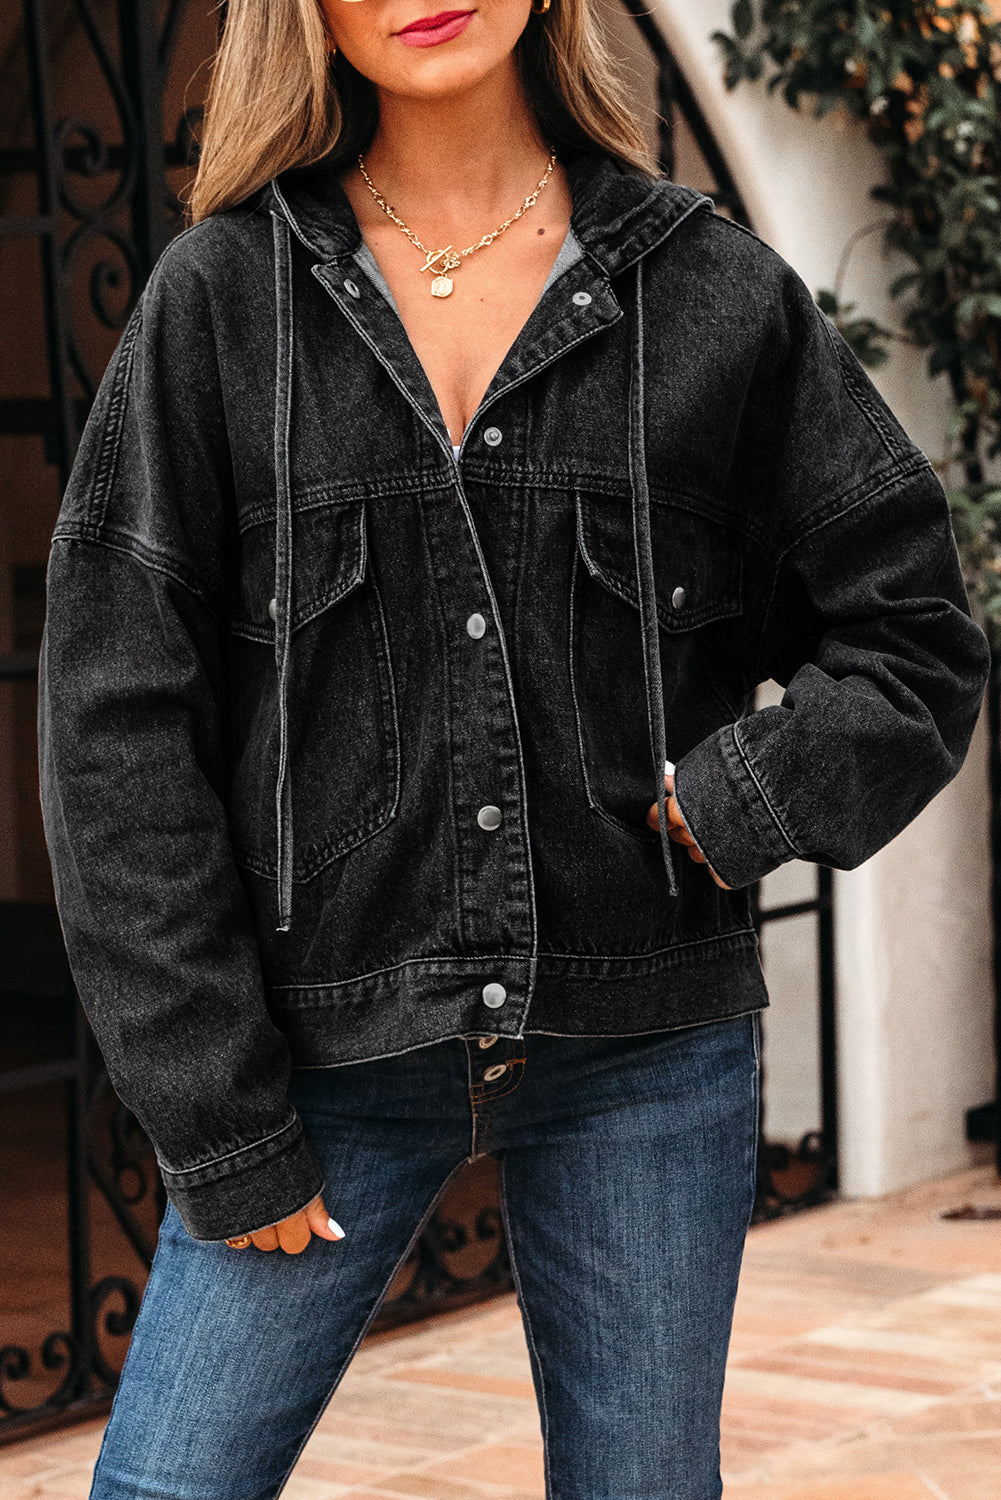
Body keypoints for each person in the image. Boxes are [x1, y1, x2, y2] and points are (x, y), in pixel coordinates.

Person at [36, 0, 990, 1495]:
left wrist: (737, 798)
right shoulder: (222, 304)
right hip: (319, 1055)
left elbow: (915, 630)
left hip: (643, 1045)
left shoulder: (709, 291)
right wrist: (218, 1114)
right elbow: (116, 730)